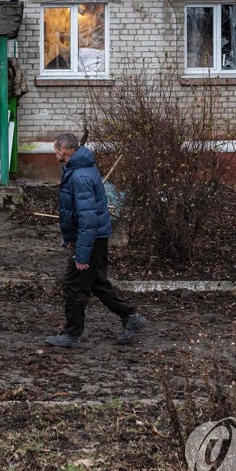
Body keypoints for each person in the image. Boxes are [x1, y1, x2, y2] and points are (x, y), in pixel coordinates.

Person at [45, 133, 145, 347]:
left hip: (90, 237)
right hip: (94, 236)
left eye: (55, 150)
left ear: (63, 150)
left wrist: (82, 254)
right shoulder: (79, 169)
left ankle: (72, 334)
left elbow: (88, 219)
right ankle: (130, 316)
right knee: (96, 282)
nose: (54, 154)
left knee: (73, 285)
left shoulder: (80, 177)